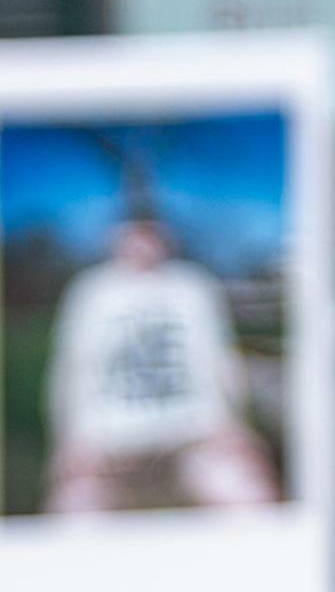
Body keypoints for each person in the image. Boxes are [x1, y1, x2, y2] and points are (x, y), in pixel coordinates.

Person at [43, 211, 279, 515]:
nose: (143, 244)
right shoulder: (91, 291)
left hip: (192, 439)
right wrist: (71, 441)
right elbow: (73, 369)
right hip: (110, 448)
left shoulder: (193, 287)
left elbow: (218, 361)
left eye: (150, 233)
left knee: (246, 495)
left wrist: (233, 424)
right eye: (134, 233)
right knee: (76, 510)